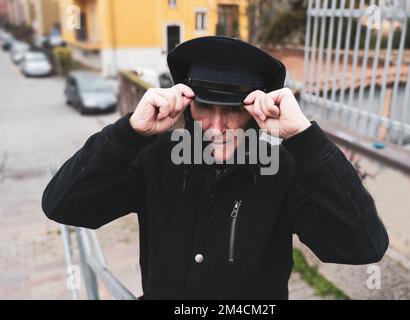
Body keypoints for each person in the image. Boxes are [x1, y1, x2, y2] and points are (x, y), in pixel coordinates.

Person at [42, 36, 389, 300]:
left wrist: (305, 138)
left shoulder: (284, 171)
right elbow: (63, 204)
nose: (217, 127)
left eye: (234, 111)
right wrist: (129, 132)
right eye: (205, 106)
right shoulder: (154, 160)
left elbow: (363, 244)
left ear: (254, 112)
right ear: (187, 104)